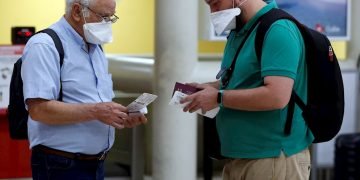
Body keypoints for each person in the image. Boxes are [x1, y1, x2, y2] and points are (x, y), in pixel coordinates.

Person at [182, 0, 313, 179]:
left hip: (272, 159)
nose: (213, 11)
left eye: (215, 3)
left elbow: (277, 96)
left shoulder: (278, 30)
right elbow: (244, 81)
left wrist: (218, 98)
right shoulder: (241, 32)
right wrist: (210, 89)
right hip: (238, 158)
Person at [21, 0, 147, 179]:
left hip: (96, 164)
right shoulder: (44, 45)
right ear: (77, 11)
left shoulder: (95, 48)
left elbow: (93, 101)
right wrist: (97, 111)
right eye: (103, 17)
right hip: (60, 165)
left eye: (112, 18)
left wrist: (119, 115)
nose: (108, 24)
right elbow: (39, 110)